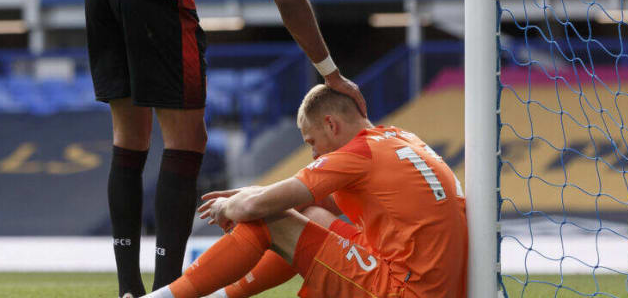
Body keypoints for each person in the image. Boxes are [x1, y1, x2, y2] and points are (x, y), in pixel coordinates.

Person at [81, 0, 368, 298]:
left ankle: (128, 290)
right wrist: (330, 71)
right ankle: (167, 288)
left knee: (129, 139)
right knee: (188, 140)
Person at [141, 85, 468, 298]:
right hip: (434, 283)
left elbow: (254, 209)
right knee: (309, 215)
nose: (313, 154)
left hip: (406, 290)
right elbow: (314, 202)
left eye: (312, 142)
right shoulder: (398, 137)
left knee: (271, 221)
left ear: (331, 125)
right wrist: (256, 195)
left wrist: (233, 206)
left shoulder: (356, 154)